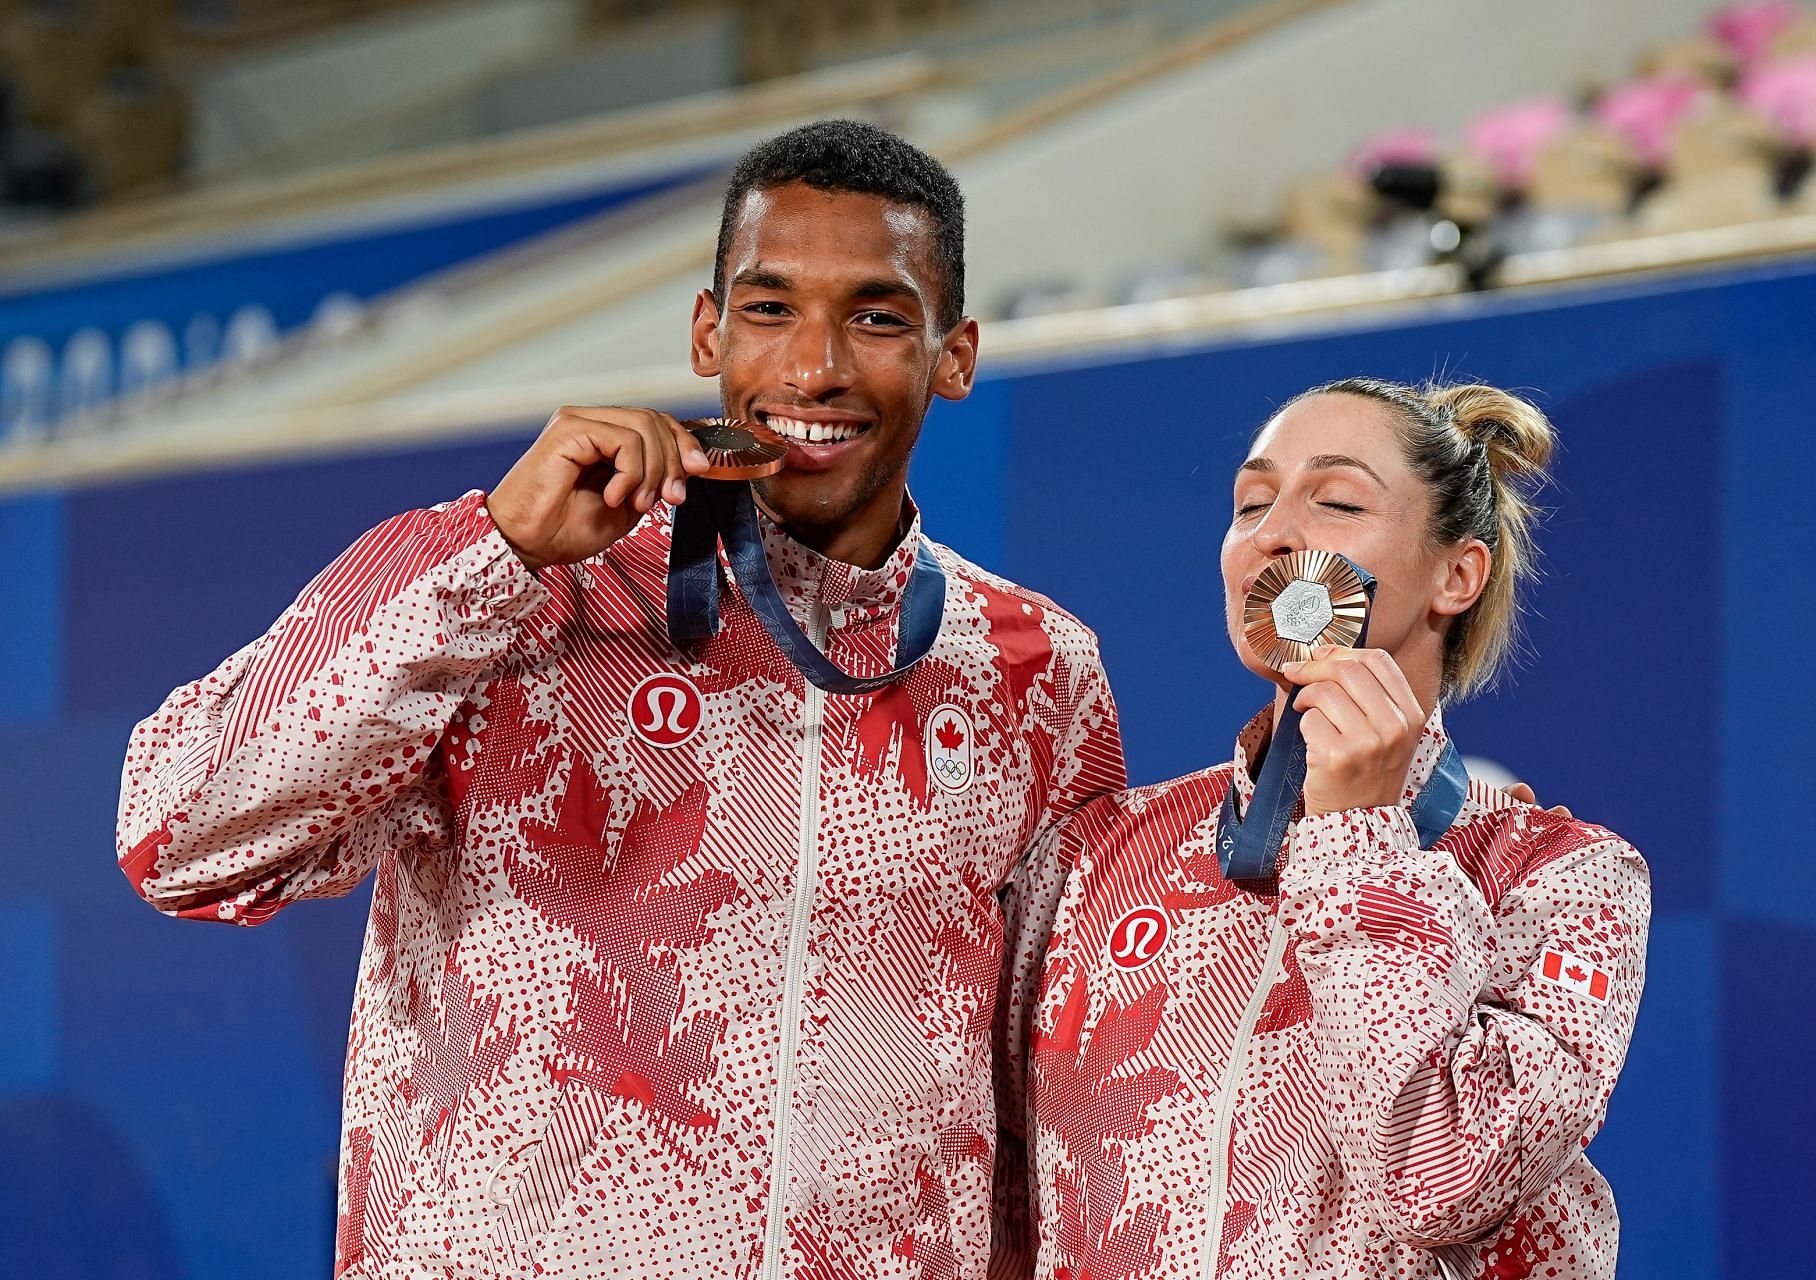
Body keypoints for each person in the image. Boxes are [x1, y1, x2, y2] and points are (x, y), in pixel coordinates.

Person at [115, 120, 1125, 1280]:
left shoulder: (1035, 669)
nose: (817, 366)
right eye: (770, 308)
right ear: (707, 331)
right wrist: (492, 551)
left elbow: (1045, 1093)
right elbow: (175, 837)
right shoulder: (519, 594)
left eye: (880, 316)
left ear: (955, 354)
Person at [1019, 378, 1650, 1279]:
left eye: (1339, 502)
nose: (1274, 534)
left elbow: (1441, 1182)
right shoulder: (1102, 851)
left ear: (1456, 575)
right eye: (1250, 503)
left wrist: (1357, 833)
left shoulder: (1563, 879)